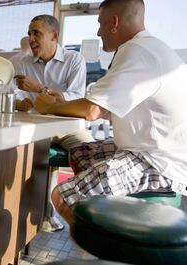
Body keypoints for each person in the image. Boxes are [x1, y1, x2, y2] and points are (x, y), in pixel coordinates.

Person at [34, 0, 187, 225]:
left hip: (159, 163)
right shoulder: (148, 47)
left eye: (100, 23)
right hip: (149, 149)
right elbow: (106, 107)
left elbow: (93, 110)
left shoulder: (137, 51)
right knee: (78, 153)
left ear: (114, 22)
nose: (98, 31)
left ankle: (99, 254)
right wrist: (63, 103)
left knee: (61, 196)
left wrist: (49, 106)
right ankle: (103, 204)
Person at [15, 15, 93, 149]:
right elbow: (16, 95)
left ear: (54, 36)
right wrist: (20, 103)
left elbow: (77, 97)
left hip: (67, 127)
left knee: (91, 154)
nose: (31, 39)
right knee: (8, 149)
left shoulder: (74, 60)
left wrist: (40, 89)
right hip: (34, 126)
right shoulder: (24, 63)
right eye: (29, 34)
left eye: (36, 33)